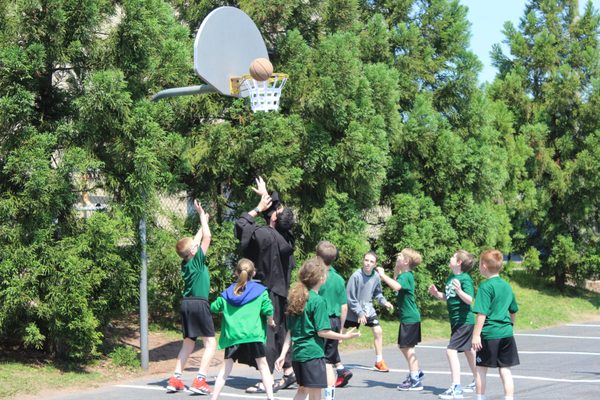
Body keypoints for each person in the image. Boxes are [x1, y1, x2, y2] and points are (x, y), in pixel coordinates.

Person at [234, 176, 297, 393]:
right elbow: (277, 211)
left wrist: (257, 208)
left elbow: (242, 226)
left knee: (268, 335)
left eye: (275, 212)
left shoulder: (264, 236)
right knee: (279, 331)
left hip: (267, 292)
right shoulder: (287, 237)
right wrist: (265, 194)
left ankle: (267, 378)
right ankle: (288, 373)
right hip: (281, 292)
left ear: (273, 220)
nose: (274, 210)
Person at [275, 257, 361, 400]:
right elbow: (322, 331)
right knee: (315, 395)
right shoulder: (318, 301)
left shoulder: (296, 298)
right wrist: (344, 336)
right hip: (313, 355)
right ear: (321, 278)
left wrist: (283, 355)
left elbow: (290, 331)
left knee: (302, 391)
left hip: (297, 355)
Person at [166, 200, 216, 394]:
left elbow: (194, 242)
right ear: (194, 251)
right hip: (199, 304)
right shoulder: (197, 261)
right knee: (211, 343)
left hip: (186, 304)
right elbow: (207, 236)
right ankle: (200, 380)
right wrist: (204, 223)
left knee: (188, 342)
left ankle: (176, 378)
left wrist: (202, 219)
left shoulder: (186, 262)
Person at [210, 258, 276, 400]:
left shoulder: (227, 293)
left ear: (236, 273)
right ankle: (271, 398)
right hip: (253, 335)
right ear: (254, 272)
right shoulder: (260, 291)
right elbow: (268, 309)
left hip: (233, 336)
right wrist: (271, 321)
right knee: (263, 366)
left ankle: (214, 397)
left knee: (225, 369)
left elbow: (214, 307)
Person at [428, 250, 478, 399]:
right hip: (456, 321)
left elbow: (469, 299)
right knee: (469, 351)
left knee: (451, 350)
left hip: (465, 320)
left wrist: (459, 290)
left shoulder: (465, 278)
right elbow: (449, 297)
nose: (450, 257)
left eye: (453, 256)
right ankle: (478, 380)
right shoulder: (451, 277)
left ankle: (456, 387)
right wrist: (437, 294)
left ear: (459, 263)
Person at [471, 249, 520, 400]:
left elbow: (482, 314)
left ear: (484, 266)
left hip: (489, 334)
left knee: (480, 370)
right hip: (506, 334)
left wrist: (476, 335)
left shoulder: (485, 287)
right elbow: (513, 310)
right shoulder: (506, 286)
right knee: (505, 370)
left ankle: (480, 397)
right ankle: (509, 398)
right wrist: (510, 326)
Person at [376, 248, 424, 391]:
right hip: (409, 317)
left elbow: (396, 285)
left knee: (406, 347)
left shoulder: (407, 276)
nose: (398, 256)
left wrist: (383, 275)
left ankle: (415, 379)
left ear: (406, 261)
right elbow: (397, 283)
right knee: (406, 347)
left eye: (401, 256)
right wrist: (396, 269)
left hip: (410, 318)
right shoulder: (405, 275)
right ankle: (416, 373)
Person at [345, 251, 394, 372]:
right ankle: (329, 360)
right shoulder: (356, 276)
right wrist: (359, 313)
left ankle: (379, 361)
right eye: (366, 260)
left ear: (375, 264)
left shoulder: (376, 276)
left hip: (368, 310)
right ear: (363, 261)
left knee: (378, 331)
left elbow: (378, 292)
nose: (368, 263)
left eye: (371, 261)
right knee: (340, 337)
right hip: (353, 311)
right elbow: (350, 298)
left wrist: (384, 302)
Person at [315, 241, 352, 397]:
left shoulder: (317, 277)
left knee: (319, 360)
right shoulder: (339, 279)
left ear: (318, 258)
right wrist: (341, 329)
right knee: (329, 362)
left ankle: (313, 390)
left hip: (321, 321)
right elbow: (344, 307)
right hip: (335, 321)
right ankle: (329, 395)